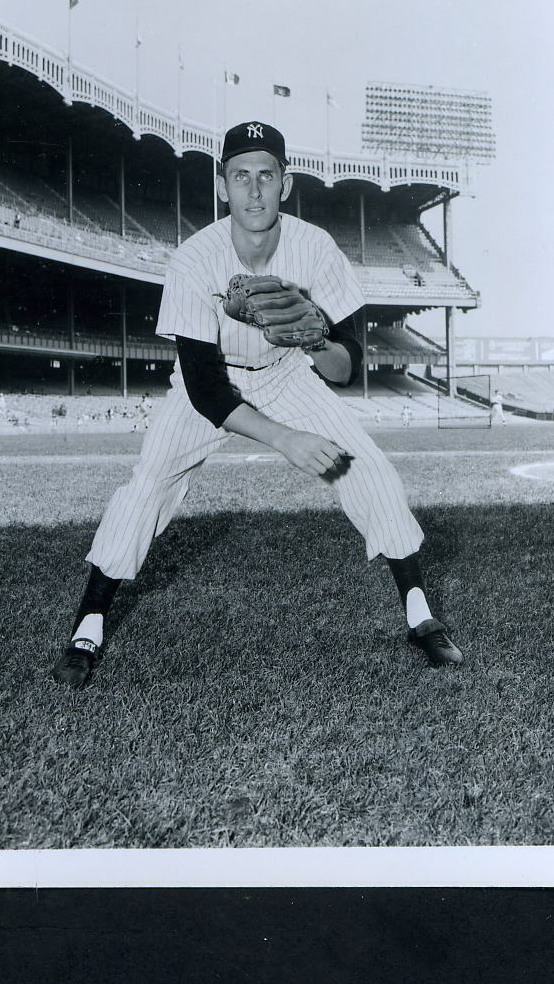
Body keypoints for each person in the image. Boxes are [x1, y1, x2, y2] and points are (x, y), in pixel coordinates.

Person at [52, 122, 463, 689]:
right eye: (240, 177)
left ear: (285, 184)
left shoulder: (315, 249)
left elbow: (347, 368)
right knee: (148, 485)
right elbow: (205, 390)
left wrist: (317, 339)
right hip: (212, 382)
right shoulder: (194, 261)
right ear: (222, 187)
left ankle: (419, 611)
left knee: (370, 469)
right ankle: (89, 622)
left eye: (265, 176)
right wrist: (285, 439)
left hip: (287, 373)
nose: (253, 191)